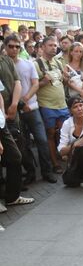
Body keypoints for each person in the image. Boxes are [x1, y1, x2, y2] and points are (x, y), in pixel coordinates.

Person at [5, 35, 56, 184]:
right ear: (5, 47)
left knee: (42, 140)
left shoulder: (28, 64)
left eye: (17, 46)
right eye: (11, 46)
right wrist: (17, 105)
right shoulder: (4, 65)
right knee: (22, 144)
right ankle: (30, 173)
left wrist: (24, 100)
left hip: (32, 108)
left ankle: (47, 172)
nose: (14, 49)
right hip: (13, 112)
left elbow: (35, 84)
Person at [34, 36, 70, 174]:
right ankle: (55, 163)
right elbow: (34, 86)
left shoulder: (58, 62)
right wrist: (44, 81)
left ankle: (65, 157)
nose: (54, 47)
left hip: (62, 104)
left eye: (55, 45)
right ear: (42, 47)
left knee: (64, 133)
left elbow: (63, 81)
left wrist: (67, 77)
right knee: (50, 134)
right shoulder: (36, 64)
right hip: (47, 105)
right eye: (50, 45)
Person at [0, 79, 34, 208]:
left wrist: (2, 113)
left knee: (15, 157)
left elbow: (0, 96)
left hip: (2, 125)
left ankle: (12, 197)